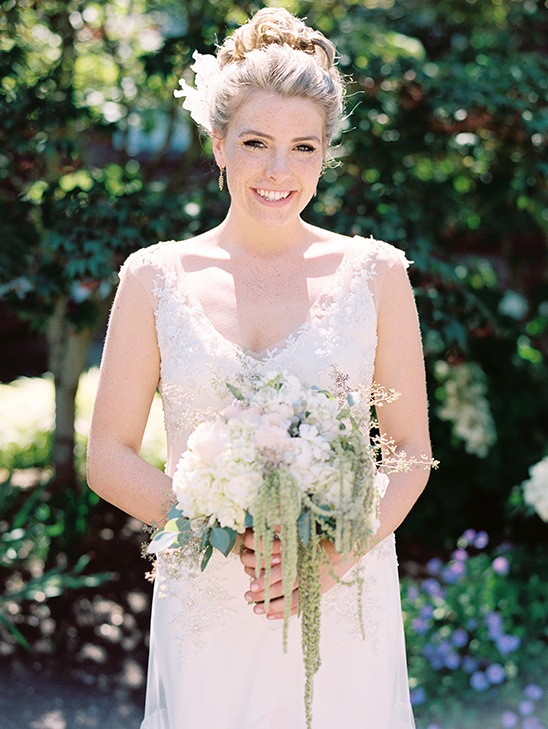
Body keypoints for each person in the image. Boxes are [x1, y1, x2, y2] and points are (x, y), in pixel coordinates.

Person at [87, 8, 431, 729]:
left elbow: (409, 454)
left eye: (304, 147)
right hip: (211, 597)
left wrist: (331, 556)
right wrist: (220, 528)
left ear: (326, 154)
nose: (279, 171)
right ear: (217, 144)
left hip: (343, 598)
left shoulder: (377, 274)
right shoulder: (153, 278)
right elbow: (109, 456)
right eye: (255, 143)